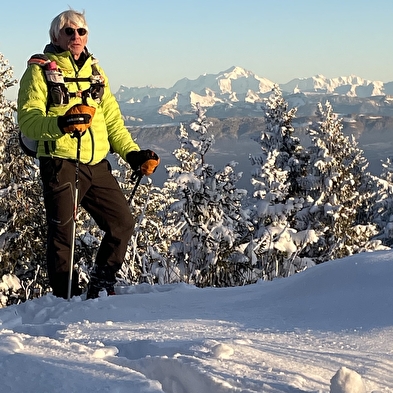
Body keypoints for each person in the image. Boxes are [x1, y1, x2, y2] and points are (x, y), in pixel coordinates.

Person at [17, 9, 160, 299]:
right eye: (69, 31)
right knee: (63, 235)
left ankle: (100, 286)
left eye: (81, 31)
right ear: (55, 35)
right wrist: (61, 123)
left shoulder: (96, 71)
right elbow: (28, 121)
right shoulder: (39, 70)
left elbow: (112, 121)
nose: (76, 36)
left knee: (122, 223)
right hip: (60, 162)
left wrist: (132, 155)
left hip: (97, 164)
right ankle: (64, 300)